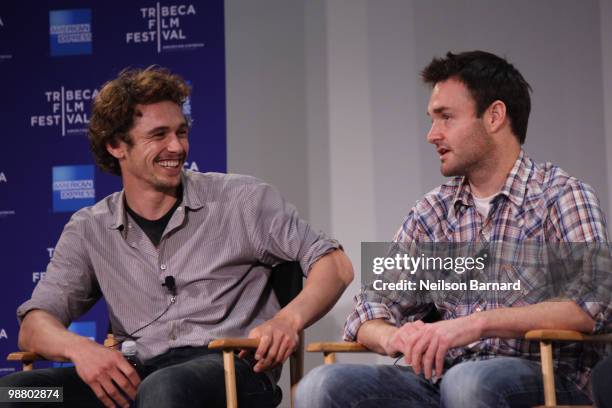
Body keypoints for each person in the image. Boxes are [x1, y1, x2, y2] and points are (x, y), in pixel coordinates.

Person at [0, 67, 353, 408]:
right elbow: (34, 325)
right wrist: (82, 350)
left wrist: (286, 321)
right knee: (14, 394)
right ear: (115, 146)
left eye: (181, 132)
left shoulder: (242, 200)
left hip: (231, 372)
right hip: (134, 379)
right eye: (159, 135)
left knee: (165, 388)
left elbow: (335, 265)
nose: (177, 147)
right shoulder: (89, 229)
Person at [296, 50, 610, 407]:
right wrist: (397, 339)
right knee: (321, 384)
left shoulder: (562, 195)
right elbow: (368, 312)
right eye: (432, 120)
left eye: (446, 118)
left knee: (469, 382)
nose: (432, 135)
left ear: (494, 116)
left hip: (545, 377)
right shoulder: (432, 212)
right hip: (444, 377)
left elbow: (586, 306)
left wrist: (474, 325)